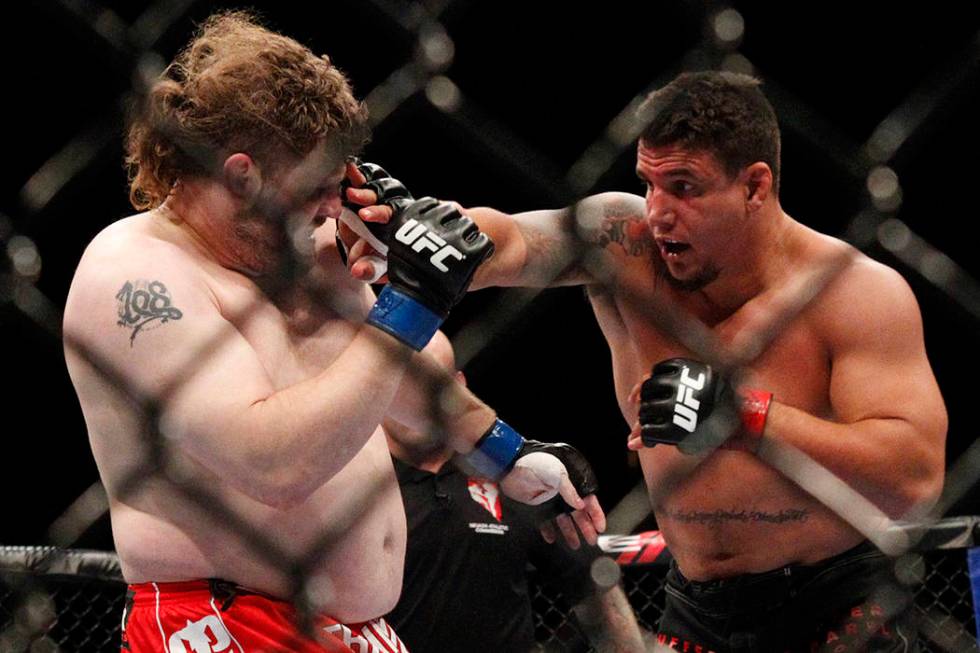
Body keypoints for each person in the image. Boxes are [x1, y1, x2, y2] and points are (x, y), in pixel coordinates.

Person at [341, 71, 948, 651]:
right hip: (697, 606)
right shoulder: (627, 244)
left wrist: (748, 417)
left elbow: (914, 477)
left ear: (755, 187)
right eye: (649, 183)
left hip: (837, 602)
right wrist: (436, 232)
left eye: (684, 187)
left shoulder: (853, 292)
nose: (658, 211)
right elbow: (518, 242)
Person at [61, 12, 605, 653]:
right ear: (242, 175)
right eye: (319, 186)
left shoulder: (303, 244)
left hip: (360, 631)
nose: (336, 202)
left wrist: (506, 453)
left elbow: (379, 379)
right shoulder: (135, 276)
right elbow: (274, 462)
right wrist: (412, 299)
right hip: (224, 626)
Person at [382, 331, 645, 653]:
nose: (419, 401)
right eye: (405, 383)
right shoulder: (347, 479)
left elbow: (593, 583)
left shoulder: (513, 475)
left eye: (435, 385)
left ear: (459, 389)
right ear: (377, 388)